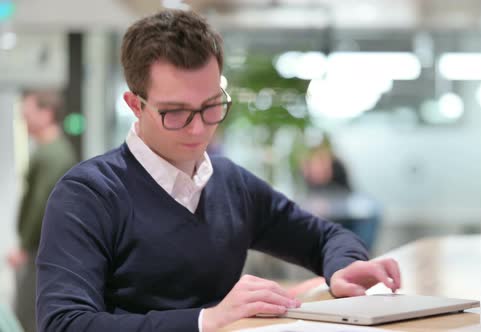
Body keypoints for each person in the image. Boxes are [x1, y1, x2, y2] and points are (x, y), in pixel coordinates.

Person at [36, 10, 401, 332]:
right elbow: (64, 323)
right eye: (175, 112)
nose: (199, 129)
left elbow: (326, 238)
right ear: (135, 104)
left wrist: (342, 268)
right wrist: (204, 320)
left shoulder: (231, 183)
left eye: (211, 106)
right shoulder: (88, 195)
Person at [6, 90, 77, 332]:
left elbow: (40, 203)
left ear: (47, 114)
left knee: (29, 314)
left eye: (29, 112)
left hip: (41, 248)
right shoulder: (51, 151)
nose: (24, 118)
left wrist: (25, 247)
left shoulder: (52, 154)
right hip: (42, 247)